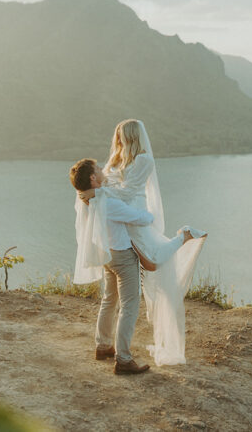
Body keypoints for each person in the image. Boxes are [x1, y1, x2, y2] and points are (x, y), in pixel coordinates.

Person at [99, 119, 207, 366]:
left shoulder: (143, 160)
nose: (118, 139)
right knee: (127, 283)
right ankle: (108, 348)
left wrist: (101, 192)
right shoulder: (114, 160)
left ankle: (184, 235)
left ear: (130, 136)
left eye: (121, 135)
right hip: (121, 220)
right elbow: (115, 188)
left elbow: (128, 192)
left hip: (134, 217)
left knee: (153, 260)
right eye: (117, 135)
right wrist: (104, 191)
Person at [69, 158, 153, 375]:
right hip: (122, 256)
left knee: (109, 299)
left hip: (106, 255)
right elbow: (141, 218)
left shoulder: (85, 199)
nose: (102, 169)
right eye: (98, 169)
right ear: (93, 178)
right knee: (129, 305)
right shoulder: (108, 203)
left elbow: (106, 190)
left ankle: (103, 346)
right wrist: (151, 212)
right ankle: (123, 359)